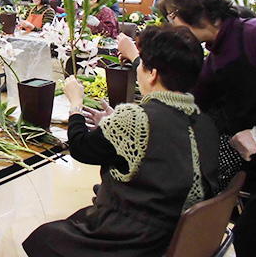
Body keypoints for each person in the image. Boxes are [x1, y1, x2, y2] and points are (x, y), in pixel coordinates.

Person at [23, 25, 219, 257]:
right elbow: (163, 154)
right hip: (177, 232)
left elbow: (81, 148)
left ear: (152, 73)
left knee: (44, 238)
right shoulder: (204, 121)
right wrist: (112, 125)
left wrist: (75, 105)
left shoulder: (136, 119)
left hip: (133, 240)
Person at [154, 0, 256, 257]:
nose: (172, 25)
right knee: (250, 241)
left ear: (195, 13)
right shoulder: (215, 56)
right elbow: (188, 103)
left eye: (172, 16)